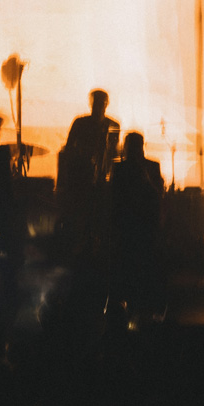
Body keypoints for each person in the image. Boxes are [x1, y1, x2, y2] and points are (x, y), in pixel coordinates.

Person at [110, 131, 165, 305]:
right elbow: (158, 196)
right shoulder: (150, 167)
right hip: (142, 226)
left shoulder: (120, 169)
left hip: (132, 226)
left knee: (130, 264)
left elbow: (114, 201)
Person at [60, 90, 120, 241]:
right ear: (91, 103)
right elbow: (68, 150)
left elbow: (114, 154)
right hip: (82, 176)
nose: (98, 107)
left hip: (99, 178)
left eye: (101, 103)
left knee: (94, 215)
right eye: (97, 103)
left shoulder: (111, 125)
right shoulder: (82, 123)